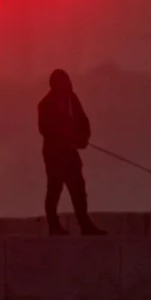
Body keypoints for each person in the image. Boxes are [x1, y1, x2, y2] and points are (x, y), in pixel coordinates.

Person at [38, 69, 105, 235]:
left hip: (70, 153)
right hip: (54, 155)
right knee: (55, 189)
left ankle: (85, 224)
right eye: (62, 83)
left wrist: (83, 138)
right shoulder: (45, 104)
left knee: (79, 189)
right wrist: (65, 137)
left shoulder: (72, 100)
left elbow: (83, 121)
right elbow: (45, 129)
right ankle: (54, 225)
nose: (66, 86)